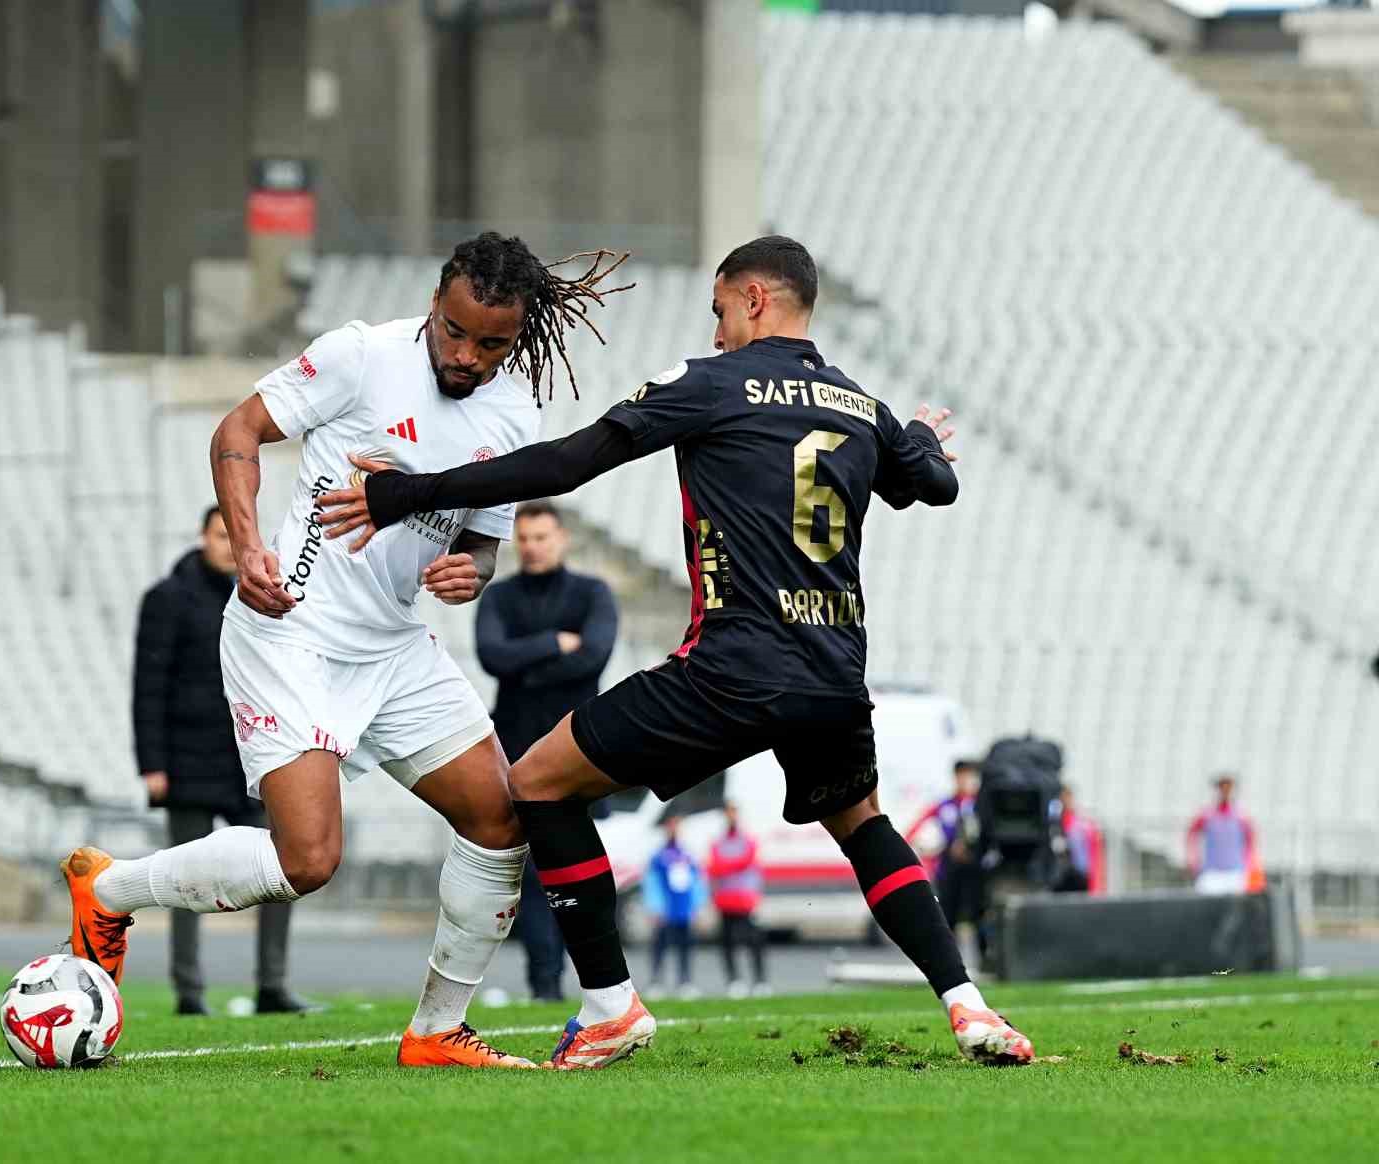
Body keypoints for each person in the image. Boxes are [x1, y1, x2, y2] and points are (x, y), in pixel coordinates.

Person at [318, 234, 1035, 1068]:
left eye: (722, 309)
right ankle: (971, 1008)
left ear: (756, 299)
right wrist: (912, 438)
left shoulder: (712, 384)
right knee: (863, 823)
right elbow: (934, 485)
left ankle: (610, 1006)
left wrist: (407, 491)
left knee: (540, 783)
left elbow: (567, 462)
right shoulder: (858, 404)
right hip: (834, 673)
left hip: (733, 667)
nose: (719, 328)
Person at [60, 232, 631, 1069]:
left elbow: (482, 543)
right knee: (310, 859)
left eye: (491, 343)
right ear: (436, 301)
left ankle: (436, 1031)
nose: (468, 355)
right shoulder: (361, 356)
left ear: (519, 336)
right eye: (455, 331)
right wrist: (250, 546)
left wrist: (468, 573)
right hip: (292, 628)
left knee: (501, 819)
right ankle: (107, 891)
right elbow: (239, 430)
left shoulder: (515, 413)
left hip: (396, 645)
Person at [134, 506, 305, 1016]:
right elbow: (148, 685)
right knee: (185, 879)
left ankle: (271, 984)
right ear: (202, 537)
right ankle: (189, 992)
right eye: (219, 535)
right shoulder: (167, 598)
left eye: (236, 538)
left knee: (283, 868)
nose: (229, 547)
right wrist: (152, 764)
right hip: (187, 761)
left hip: (250, 758)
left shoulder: (261, 596)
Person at [474, 499, 618, 1001]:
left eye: (542, 537)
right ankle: (545, 982)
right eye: (526, 539)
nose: (534, 547)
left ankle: (591, 981)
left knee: (574, 866)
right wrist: (556, 643)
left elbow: (595, 656)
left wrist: (527, 665)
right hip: (514, 749)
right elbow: (492, 656)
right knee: (533, 873)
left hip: (578, 749)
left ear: (561, 539)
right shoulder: (499, 598)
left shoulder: (593, 593)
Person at [906, 760, 986, 958]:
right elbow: (916, 829)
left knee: (979, 914)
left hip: (976, 869)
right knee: (948, 916)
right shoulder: (945, 806)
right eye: (962, 775)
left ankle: (985, 958)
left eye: (969, 775)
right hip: (949, 869)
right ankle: (951, 961)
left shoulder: (982, 806)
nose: (965, 780)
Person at [707, 802, 767, 997]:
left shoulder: (746, 840)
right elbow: (714, 865)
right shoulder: (719, 841)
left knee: (753, 940)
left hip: (745, 899)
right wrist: (730, 866)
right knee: (727, 942)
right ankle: (734, 980)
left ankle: (760, 980)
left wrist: (727, 866)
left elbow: (747, 859)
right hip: (725, 899)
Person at [643, 817, 704, 997]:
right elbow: (651, 882)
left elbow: (696, 882)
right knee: (660, 946)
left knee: (685, 946)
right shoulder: (658, 856)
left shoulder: (687, 855)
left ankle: (685, 981)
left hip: (683, 910)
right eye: (670, 826)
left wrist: (696, 906)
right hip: (664, 910)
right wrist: (654, 907)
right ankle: (656, 982)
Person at [1186, 774, 1258, 895]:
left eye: (1228, 787)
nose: (1225, 791)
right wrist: (1193, 860)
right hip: (1211, 872)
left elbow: (1251, 842)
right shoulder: (1206, 815)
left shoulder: (1242, 816)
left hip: (1235, 873)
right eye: (1222, 787)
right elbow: (1191, 835)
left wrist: (1250, 865)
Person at [1056, 784, 1104, 895]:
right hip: (1067, 874)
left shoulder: (1081, 823)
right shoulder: (1059, 822)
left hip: (1081, 875)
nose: (1064, 801)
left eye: (1067, 797)